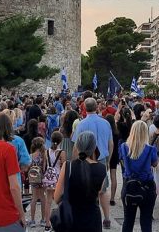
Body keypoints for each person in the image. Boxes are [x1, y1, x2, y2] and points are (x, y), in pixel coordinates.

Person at [72, 98, 113, 229]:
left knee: (86, 190)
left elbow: (76, 145)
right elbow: (110, 143)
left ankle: (89, 215)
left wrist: (74, 162)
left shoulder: (81, 124)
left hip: (84, 160)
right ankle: (106, 218)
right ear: (97, 107)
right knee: (103, 190)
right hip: (101, 159)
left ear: (84, 108)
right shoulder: (106, 123)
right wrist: (108, 159)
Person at [53, 131, 107, 232]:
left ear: (77, 146)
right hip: (92, 219)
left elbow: (56, 198)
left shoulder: (68, 166)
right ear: (94, 147)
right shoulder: (102, 168)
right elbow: (99, 192)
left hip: (71, 218)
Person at [119, 120, 158, 232]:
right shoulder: (151, 149)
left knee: (128, 220)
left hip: (129, 184)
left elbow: (121, 159)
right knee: (146, 220)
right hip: (147, 185)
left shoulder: (123, 147)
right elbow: (154, 163)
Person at [42, 131, 65, 231]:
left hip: (49, 178)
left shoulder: (46, 151)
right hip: (58, 178)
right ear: (61, 140)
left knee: (48, 201)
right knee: (60, 201)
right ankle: (61, 221)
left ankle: (47, 224)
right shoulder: (61, 152)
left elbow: (44, 167)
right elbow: (64, 166)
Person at [28, 137, 48, 228]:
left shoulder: (31, 155)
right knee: (43, 197)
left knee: (34, 198)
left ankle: (32, 220)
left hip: (33, 179)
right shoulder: (44, 155)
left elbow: (28, 167)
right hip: (41, 178)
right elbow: (44, 169)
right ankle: (43, 220)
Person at [104, 114, 120, 206]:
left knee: (103, 175)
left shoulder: (106, 132)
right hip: (115, 154)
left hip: (106, 153)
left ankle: (101, 194)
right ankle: (112, 198)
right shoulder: (116, 132)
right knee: (113, 176)